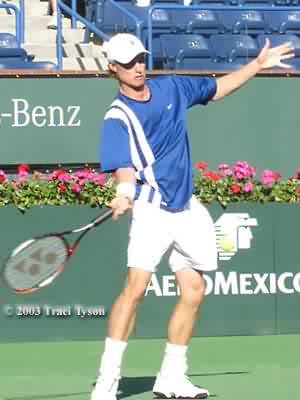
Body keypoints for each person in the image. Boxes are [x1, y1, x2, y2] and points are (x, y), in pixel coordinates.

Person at [91, 33, 294, 400]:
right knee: (135, 289)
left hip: (187, 207)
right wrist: (123, 193)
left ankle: (171, 378)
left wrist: (256, 66)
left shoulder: (172, 88)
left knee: (194, 290)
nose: (137, 67)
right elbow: (123, 168)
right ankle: (106, 383)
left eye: (140, 58)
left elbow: (217, 89)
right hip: (152, 210)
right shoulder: (116, 116)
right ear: (112, 68)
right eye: (127, 62)